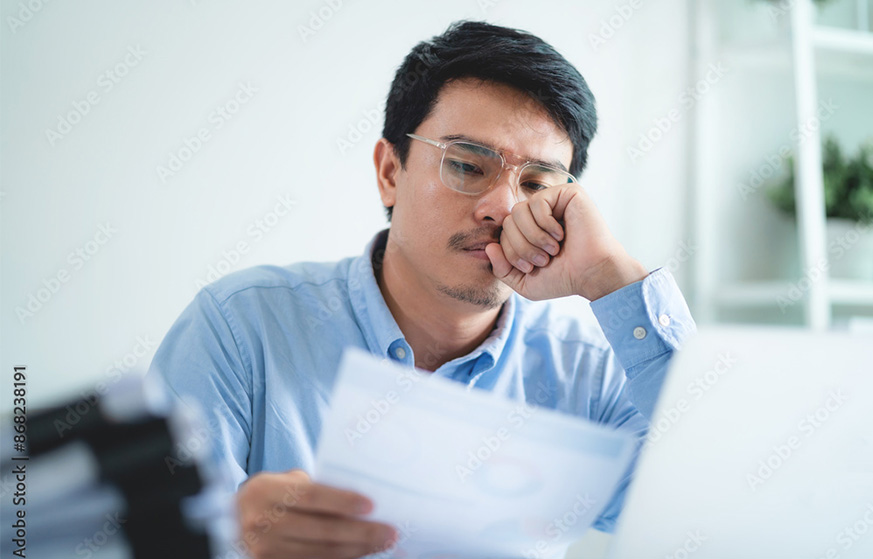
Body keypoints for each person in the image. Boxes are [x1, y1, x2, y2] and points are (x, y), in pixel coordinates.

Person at [147, 20, 696, 559]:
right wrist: (227, 539)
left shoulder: (588, 375)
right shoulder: (240, 330)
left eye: (536, 184)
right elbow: (140, 537)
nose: (504, 207)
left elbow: (712, 508)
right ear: (391, 171)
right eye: (467, 166)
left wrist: (612, 277)